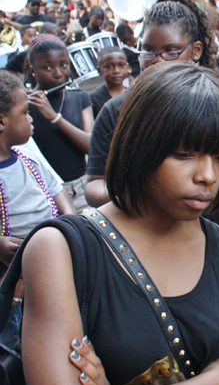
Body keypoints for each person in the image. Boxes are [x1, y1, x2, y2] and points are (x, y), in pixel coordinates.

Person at [17, 61, 219, 385]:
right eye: (184, 153)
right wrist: (213, 383)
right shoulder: (61, 250)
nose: (208, 175)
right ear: (140, 145)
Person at [85, 0, 219, 212]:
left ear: (196, 50)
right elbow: (93, 186)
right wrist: (140, 192)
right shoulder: (115, 110)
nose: (157, 60)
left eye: (171, 51)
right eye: (148, 50)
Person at [0, 70, 75, 349]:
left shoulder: (27, 150)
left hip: (52, 255)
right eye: (25, 112)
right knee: (14, 335)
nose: (31, 119)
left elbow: (57, 190)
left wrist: (71, 223)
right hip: (11, 274)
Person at [26, 36, 94, 213]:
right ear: (33, 71)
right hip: (42, 192)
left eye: (64, 65)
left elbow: (91, 146)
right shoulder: (25, 106)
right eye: (47, 67)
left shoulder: (80, 98)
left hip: (80, 188)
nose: (58, 73)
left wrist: (55, 118)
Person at [89, 46, 128, 118]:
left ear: (127, 67)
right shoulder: (92, 99)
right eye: (109, 66)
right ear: (99, 70)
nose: (116, 71)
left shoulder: (133, 94)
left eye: (121, 65)